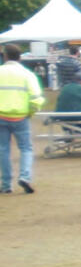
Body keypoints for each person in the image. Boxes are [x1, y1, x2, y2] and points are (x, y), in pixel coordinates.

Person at [0, 43, 45, 194]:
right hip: (21, 117)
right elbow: (36, 98)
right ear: (20, 57)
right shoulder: (27, 74)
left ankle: (6, 184)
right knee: (26, 148)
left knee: (3, 150)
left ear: (5, 56)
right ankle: (25, 176)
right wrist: (30, 113)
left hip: (1, 116)